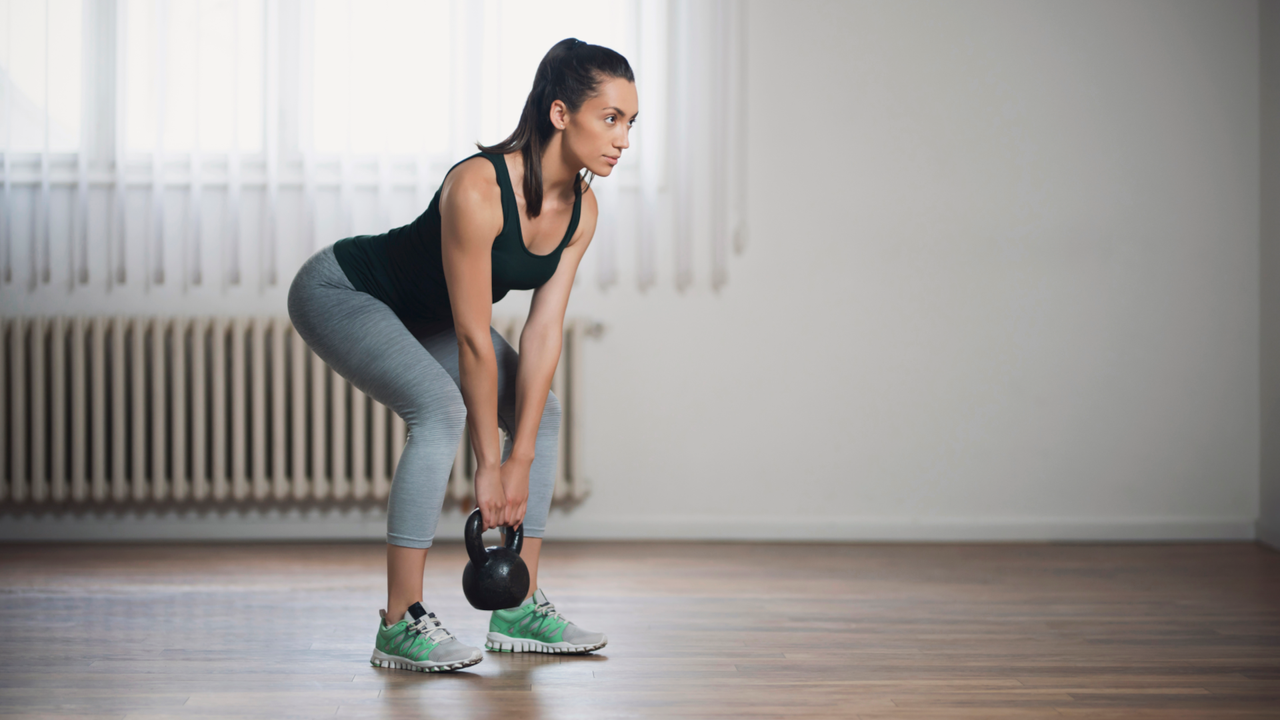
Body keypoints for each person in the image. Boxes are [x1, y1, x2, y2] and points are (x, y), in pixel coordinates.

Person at [286, 38, 637, 672]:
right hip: (345, 291)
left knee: (543, 413)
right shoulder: (478, 186)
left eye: (631, 122)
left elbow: (543, 331)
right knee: (441, 411)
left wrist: (520, 455)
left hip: (428, 316)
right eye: (610, 118)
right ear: (561, 114)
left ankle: (518, 605)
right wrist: (489, 463)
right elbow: (476, 338)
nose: (624, 139)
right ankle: (399, 622)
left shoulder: (581, 209)